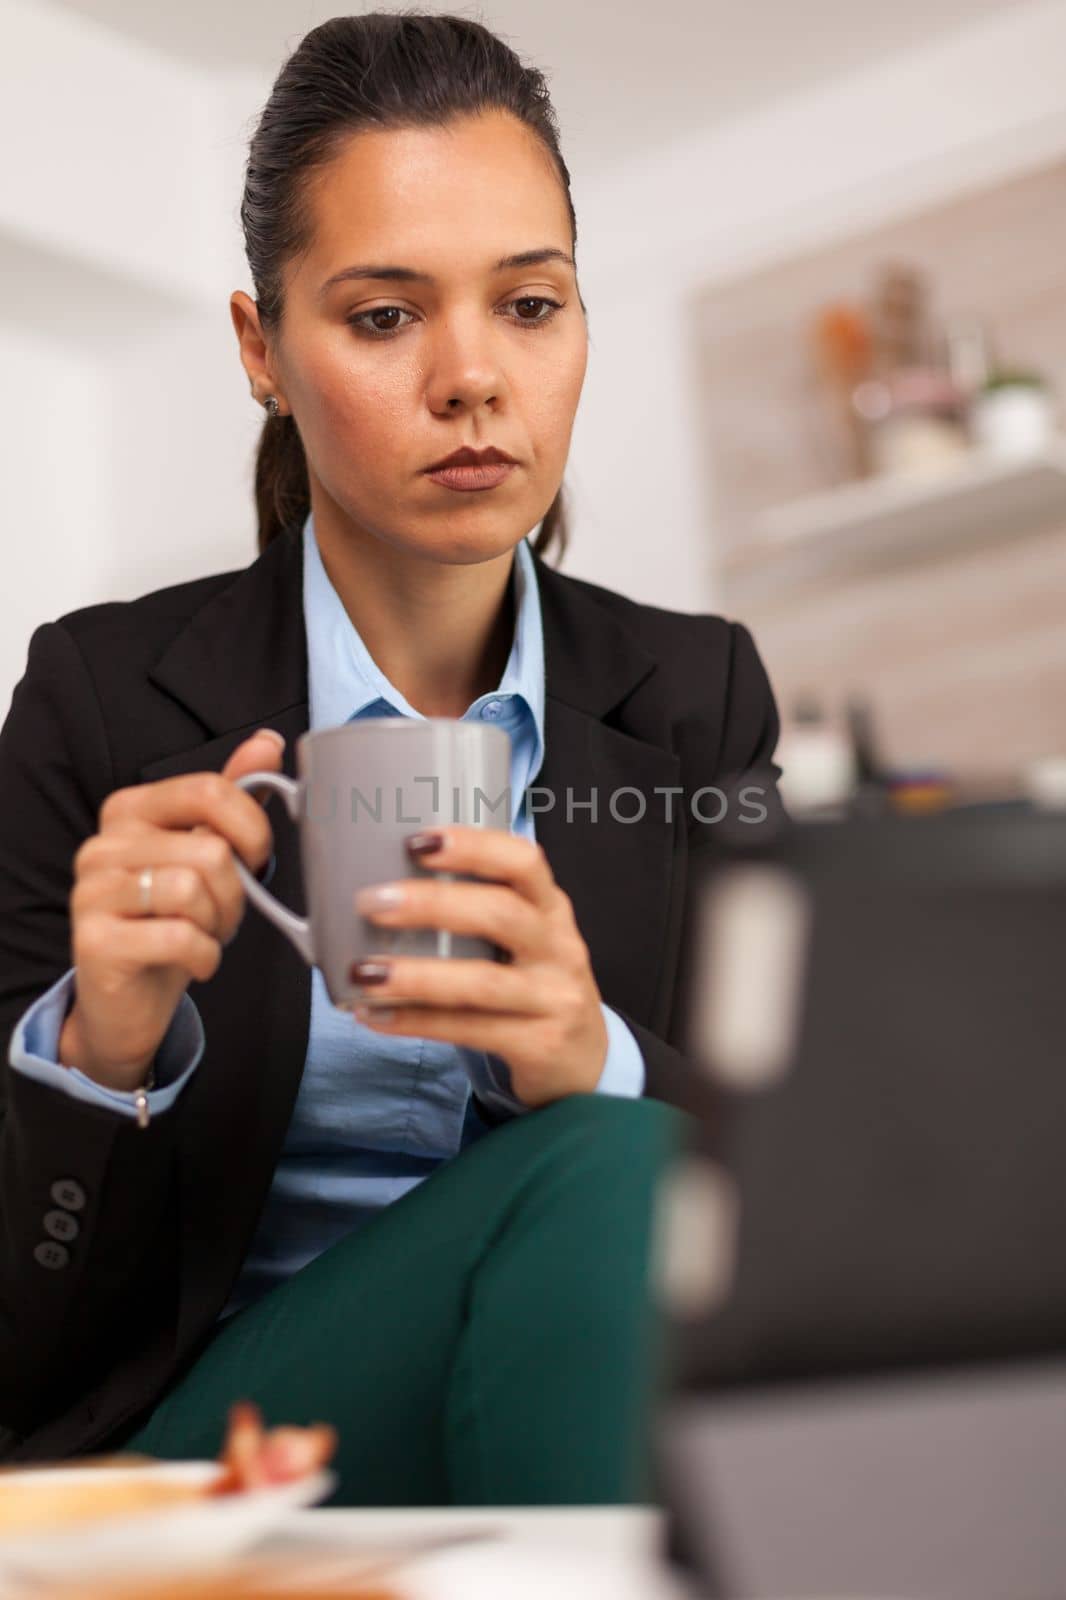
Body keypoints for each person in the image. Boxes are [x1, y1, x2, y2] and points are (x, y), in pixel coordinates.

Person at [0, 13, 781, 1505]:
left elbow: (791, 1167)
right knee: (617, 1166)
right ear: (262, 352)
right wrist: (99, 1053)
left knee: (615, 1157)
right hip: (204, 1443)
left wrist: (589, 1058)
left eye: (530, 305)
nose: (472, 378)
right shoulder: (102, 698)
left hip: (576, 1384)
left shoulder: (695, 696)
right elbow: (19, 1325)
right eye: (382, 318)